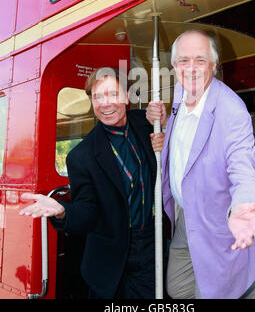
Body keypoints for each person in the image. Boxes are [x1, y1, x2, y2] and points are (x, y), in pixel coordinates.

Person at [147, 30, 255, 299]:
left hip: (219, 222)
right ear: (174, 66)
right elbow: (185, 141)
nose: (191, 68)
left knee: (213, 292)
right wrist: (162, 128)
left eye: (200, 60)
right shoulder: (180, 94)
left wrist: (245, 205)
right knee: (178, 288)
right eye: (183, 61)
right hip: (185, 215)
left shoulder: (232, 110)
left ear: (214, 65)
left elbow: (243, 169)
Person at [20, 67, 160, 299]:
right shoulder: (81, 156)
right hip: (109, 262)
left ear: (126, 97)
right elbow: (87, 211)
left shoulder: (144, 124)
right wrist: (63, 211)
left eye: (113, 94)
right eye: (98, 97)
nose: (105, 103)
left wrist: (162, 122)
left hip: (150, 247)